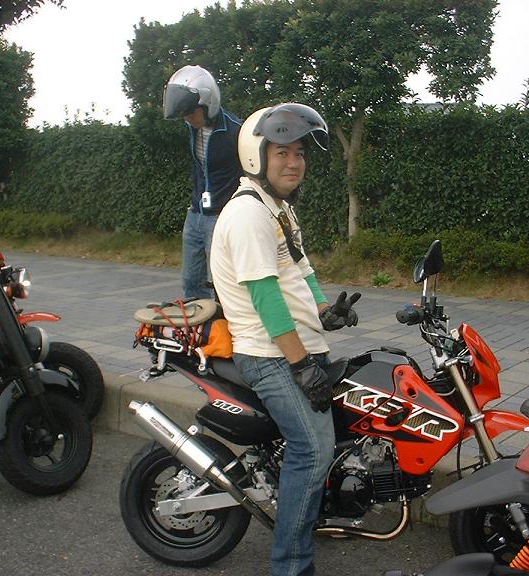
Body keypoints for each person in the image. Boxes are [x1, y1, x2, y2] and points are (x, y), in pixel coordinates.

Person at [210, 103, 360, 576]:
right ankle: (290, 567)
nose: (294, 162)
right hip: (269, 354)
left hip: (291, 347)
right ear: (257, 156)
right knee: (313, 452)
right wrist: (300, 365)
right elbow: (265, 297)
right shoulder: (248, 215)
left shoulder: (277, 209)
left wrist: (325, 311)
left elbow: (301, 269)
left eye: (299, 153)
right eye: (282, 153)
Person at [163, 65, 243, 300]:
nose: (187, 118)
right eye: (183, 114)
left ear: (208, 104)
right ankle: (198, 321)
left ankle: (226, 321)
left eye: (191, 112)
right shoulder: (193, 128)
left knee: (222, 282)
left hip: (220, 216)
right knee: (191, 281)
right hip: (195, 213)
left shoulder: (235, 132)